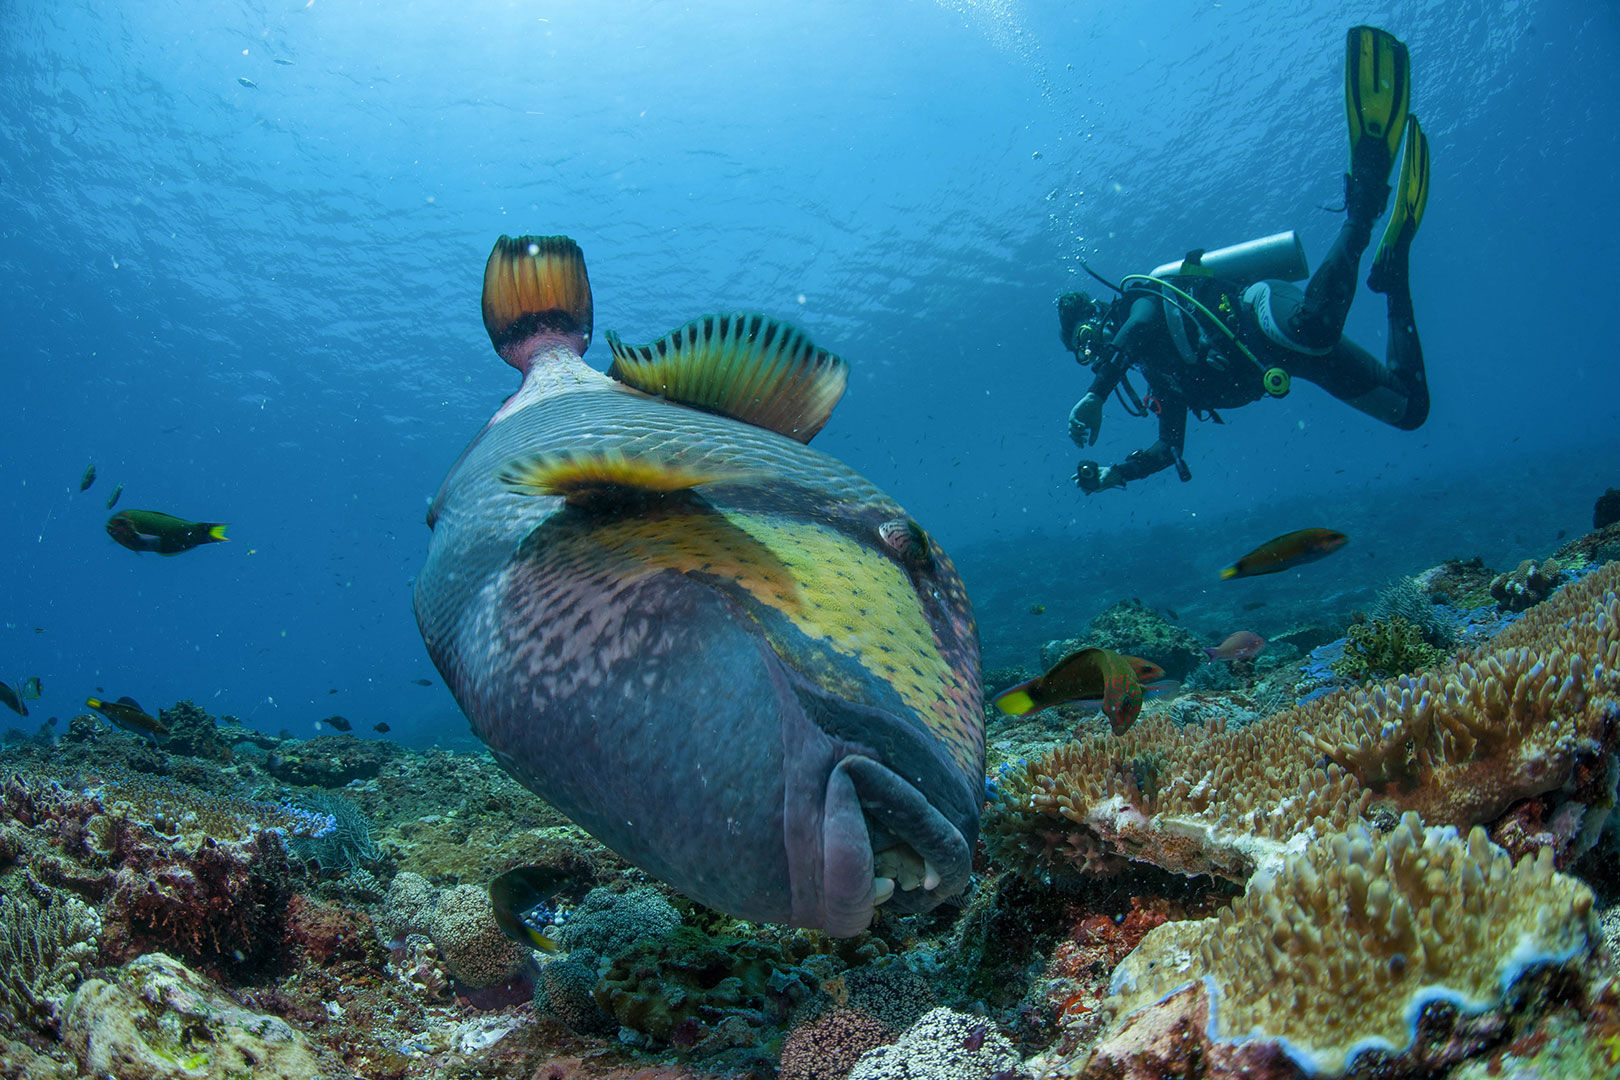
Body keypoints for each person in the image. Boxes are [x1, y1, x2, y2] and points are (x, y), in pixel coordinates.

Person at [1061, 26, 1431, 494]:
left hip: (1261, 313)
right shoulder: (1161, 377)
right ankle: (1395, 275)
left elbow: (1135, 330)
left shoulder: (1142, 299)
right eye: (1083, 352)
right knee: (1408, 410)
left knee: (1314, 328)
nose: (1092, 350)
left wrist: (1096, 393)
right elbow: (1170, 448)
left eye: (1087, 337)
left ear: (1098, 316)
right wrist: (1114, 474)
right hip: (1291, 362)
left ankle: (1367, 197)